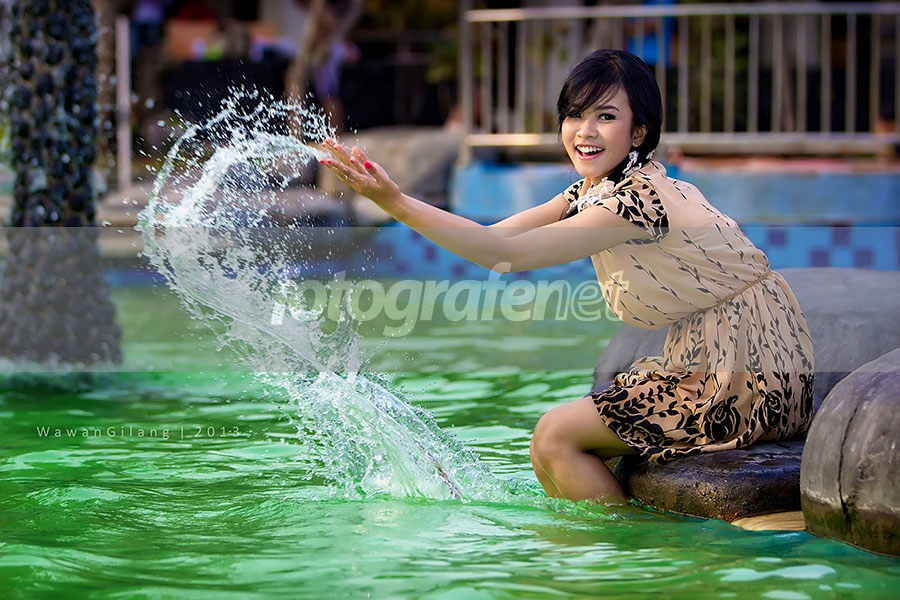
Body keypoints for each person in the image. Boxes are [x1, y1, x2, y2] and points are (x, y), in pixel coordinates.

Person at [318, 49, 815, 503]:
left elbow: (502, 256)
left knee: (555, 436)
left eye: (606, 116)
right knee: (550, 446)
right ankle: (588, 543)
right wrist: (399, 200)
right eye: (575, 115)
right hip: (732, 357)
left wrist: (396, 203)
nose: (585, 131)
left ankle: (625, 551)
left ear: (638, 132)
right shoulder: (598, 188)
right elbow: (493, 238)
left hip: (745, 373)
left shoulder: (636, 200)